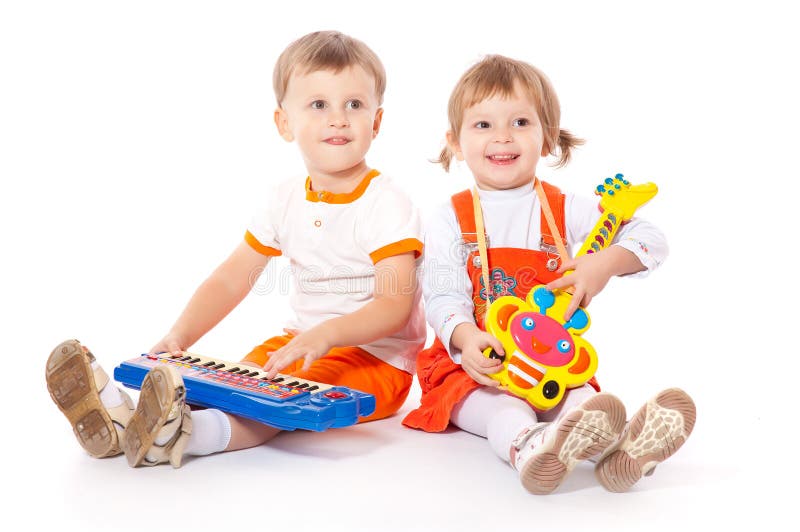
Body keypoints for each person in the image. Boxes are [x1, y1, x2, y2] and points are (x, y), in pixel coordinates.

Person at [46, 30, 426, 468]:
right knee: (225, 387)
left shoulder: (386, 201)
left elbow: (394, 306)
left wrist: (326, 335)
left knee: (274, 406)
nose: (338, 118)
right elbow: (232, 277)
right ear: (285, 123)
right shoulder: (284, 198)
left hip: (375, 358)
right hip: (297, 343)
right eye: (319, 104)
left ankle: (183, 437)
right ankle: (122, 421)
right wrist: (180, 337)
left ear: (376, 122)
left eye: (354, 105)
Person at [402, 54, 695, 494]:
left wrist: (605, 263)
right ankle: (531, 448)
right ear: (456, 142)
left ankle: (623, 451)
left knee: (583, 403)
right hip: (477, 368)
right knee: (504, 410)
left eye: (520, 121)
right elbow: (443, 295)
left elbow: (653, 240)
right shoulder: (449, 218)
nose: (502, 136)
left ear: (548, 138)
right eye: (483, 125)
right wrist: (466, 339)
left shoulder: (564, 208)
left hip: (548, 361)